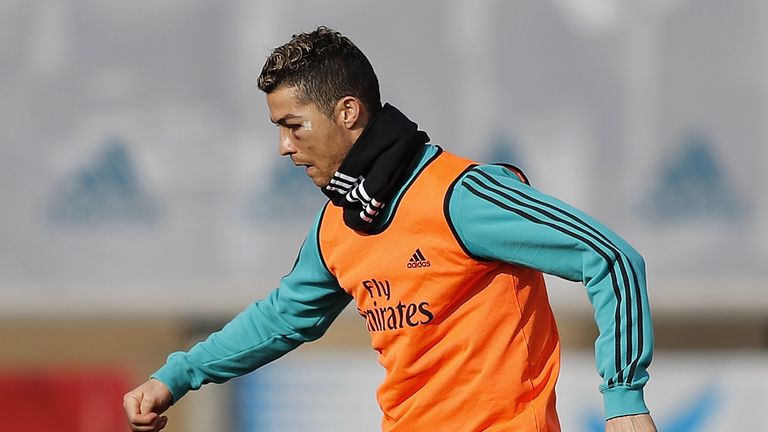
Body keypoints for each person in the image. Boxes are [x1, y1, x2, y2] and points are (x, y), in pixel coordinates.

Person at [123, 26, 657, 432]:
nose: (284, 147)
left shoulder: (461, 194)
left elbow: (610, 257)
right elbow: (281, 317)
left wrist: (625, 402)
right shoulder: (340, 222)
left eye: (293, 126)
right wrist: (177, 376)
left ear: (348, 112)